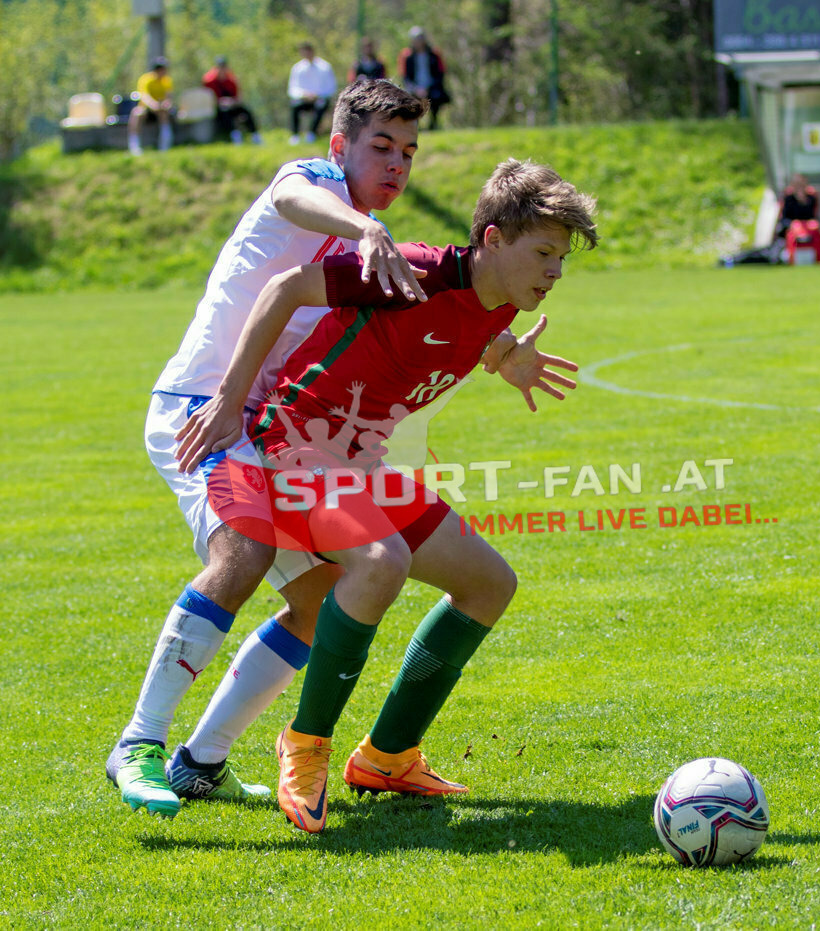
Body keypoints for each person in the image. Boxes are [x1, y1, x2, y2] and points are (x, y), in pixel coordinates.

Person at [174, 158, 599, 833]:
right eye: (544, 253)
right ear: (492, 239)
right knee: (381, 562)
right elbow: (286, 287)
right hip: (292, 446)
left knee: (489, 583)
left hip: (358, 464)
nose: (555, 271)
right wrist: (228, 400)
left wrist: (504, 355)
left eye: (561, 258)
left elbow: (464, 327)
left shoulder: (499, 302)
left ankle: (388, 756)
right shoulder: (414, 269)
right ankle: (305, 743)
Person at [105, 80, 431, 818]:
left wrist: (501, 348)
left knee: (319, 597)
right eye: (381, 146)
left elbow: (418, 304)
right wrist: (363, 227)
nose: (396, 164)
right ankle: (138, 742)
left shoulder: (369, 242)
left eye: (409, 152)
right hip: (201, 409)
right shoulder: (313, 185)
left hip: (266, 433)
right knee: (244, 548)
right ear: (340, 146)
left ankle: (200, 762)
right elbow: (291, 197)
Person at [202, 55, 262, 145]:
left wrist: (232, 102)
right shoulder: (209, 81)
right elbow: (207, 98)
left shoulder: (231, 80)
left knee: (246, 111)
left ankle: (255, 135)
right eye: (220, 67)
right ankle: (235, 136)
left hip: (232, 105)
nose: (222, 69)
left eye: (224, 66)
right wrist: (220, 102)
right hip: (217, 108)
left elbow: (238, 98)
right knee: (225, 113)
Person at [398, 27, 450, 130]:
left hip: (432, 87)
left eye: (420, 39)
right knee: (409, 100)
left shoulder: (434, 54)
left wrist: (429, 88)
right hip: (414, 88)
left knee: (436, 96)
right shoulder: (406, 56)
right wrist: (416, 89)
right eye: (416, 39)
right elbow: (405, 77)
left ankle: (433, 123)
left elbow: (440, 74)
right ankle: (415, 124)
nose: (418, 42)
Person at [288, 42, 337, 145]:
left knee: (321, 105)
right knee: (294, 106)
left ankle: (312, 133)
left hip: (320, 98)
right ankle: (295, 135)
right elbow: (293, 88)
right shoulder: (297, 68)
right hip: (303, 99)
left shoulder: (324, 67)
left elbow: (331, 87)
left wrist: (317, 95)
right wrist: (304, 95)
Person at [128, 57, 174, 156]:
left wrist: (166, 104)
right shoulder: (146, 79)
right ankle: (134, 146)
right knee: (136, 113)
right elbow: (145, 96)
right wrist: (154, 105)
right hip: (147, 109)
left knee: (164, 114)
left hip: (160, 110)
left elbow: (168, 96)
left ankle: (165, 144)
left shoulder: (166, 80)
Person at [776, 174, 820, 263]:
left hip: (809, 228)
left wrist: (814, 222)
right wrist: (792, 224)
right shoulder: (788, 199)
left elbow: (814, 217)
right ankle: (791, 256)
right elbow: (784, 219)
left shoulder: (811, 199)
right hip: (793, 229)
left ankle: (819, 257)